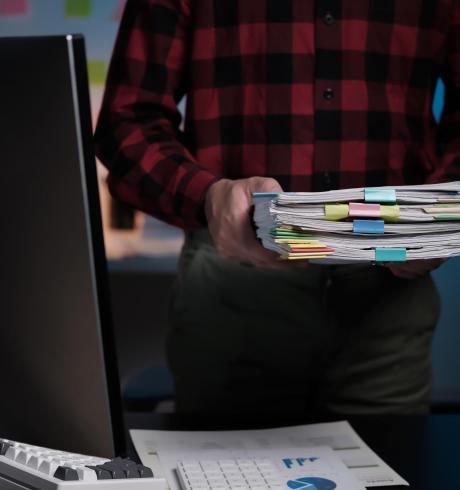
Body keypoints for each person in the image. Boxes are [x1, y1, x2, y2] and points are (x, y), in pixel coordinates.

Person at [95, 0, 460, 414]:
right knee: (228, 474)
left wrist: (435, 217)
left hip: (390, 302)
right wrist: (208, 196)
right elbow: (126, 122)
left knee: (395, 468)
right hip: (231, 291)